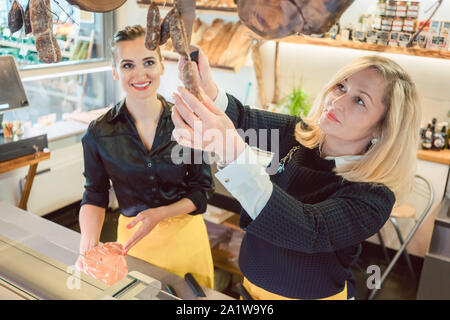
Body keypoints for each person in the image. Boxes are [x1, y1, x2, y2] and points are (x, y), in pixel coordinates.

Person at [172, 50, 421, 299]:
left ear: (382, 127)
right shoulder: (299, 134)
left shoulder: (374, 196)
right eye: (341, 87)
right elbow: (244, 118)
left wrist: (235, 154)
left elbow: (309, 229)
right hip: (252, 288)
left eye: (359, 101)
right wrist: (208, 90)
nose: (337, 102)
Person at [78, 26, 215, 288]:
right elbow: (95, 194)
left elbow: (202, 190)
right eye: (128, 65)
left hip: (186, 240)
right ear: (115, 72)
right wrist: (88, 245)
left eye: (149, 62)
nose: (140, 74)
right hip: (133, 243)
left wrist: (160, 214)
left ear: (163, 66)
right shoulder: (98, 132)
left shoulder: (188, 120)